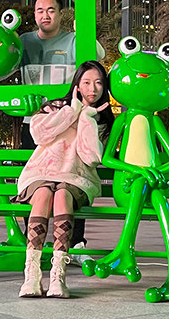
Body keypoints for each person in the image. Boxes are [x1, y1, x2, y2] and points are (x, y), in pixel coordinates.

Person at [14, 61, 114, 298]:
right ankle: (32, 275)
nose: (92, 89)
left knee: (62, 196)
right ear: (77, 84)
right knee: (43, 194)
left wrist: (87, 118)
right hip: (41, 173)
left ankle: (58, 275)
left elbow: (91, 157)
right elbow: (39, 135)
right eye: (87, 82)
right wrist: (71, 111)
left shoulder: (102, 120)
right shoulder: (55, 107)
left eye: (98, 83)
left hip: (77, 178)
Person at [20, 0, 105, 261]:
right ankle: (35, 245)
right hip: (36, 123)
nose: (45, 15)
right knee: (37, 184)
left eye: (51, 10)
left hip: (73, 125)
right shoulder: (23, 42)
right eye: (40, 10)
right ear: (34, 14)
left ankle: (75, 244)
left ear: (60, 13)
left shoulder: (73, 40)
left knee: (73, 178)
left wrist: (85, 30)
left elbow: (98, 55)